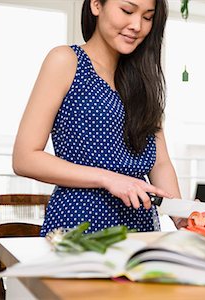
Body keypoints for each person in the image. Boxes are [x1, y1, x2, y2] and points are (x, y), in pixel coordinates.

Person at [12, 0, 185, 236]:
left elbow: (160, 163)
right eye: (127, 10)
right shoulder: (66, 60)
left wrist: (181, 214)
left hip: (140, 229)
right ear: (96, 5)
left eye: (147, 17)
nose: (137, 25)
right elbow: (25, 158)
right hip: (80, 224)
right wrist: (109, 179)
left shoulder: (144, 82)